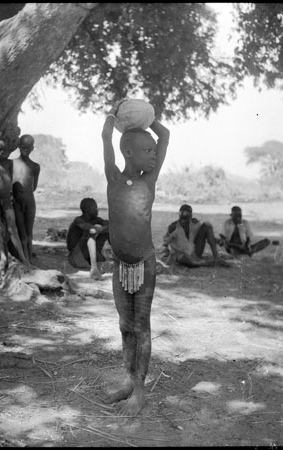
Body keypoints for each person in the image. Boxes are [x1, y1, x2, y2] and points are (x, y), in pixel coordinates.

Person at [101, 100, 169, 416]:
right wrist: (117, 114)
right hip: (120, 267)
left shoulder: (148, 183)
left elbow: (165, 135)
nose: (154, 154)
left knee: (141, 326)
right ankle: (128, 381)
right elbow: (106, 138)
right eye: (147, 150)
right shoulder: (113, 179)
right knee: (125, 325)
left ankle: (140, 391)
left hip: (145, 264)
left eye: (154, 151)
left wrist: (146, 118)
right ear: (129, 153)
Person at [0, 137, 31, 277]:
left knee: (12, 228)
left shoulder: (8, 163)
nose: (2, 151)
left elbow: (8, 178)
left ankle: (24, 258)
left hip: (6, 197)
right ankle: (3, 257)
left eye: (4, 149)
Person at [162, 204, 228, 268]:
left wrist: (218, 241)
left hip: (195, 253)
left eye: (185, 220)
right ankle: (207, 263)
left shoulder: (195, 223)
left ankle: (216, 257)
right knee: (186, 260)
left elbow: (207, 235)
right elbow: (165, 244)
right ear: (179, 216)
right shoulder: (173, 227)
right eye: (182, 219)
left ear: (191, 217)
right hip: (181, 254)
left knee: (207, 225)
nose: (183, 222)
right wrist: (167, 254)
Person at [12, 134, 40, 263]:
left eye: (28, 148)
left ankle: (29, 258)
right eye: (23, 147)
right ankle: (25, 260)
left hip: (29, 200)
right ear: (18, 147)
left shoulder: (35, 166)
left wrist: (25, 194)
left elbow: (34, 186)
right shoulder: (12, 164)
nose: (25, 150)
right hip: (17, 201)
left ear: (32, 148)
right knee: (21, 231)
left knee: (29, 232)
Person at [66, 198, 110, 280]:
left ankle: (118, 256)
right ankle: (94, 268)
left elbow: (108, 226)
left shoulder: (97, 220)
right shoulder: (78, 220)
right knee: (91, 232)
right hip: (76, 257)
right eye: (95, 208)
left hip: (86, 255)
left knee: (107, 231)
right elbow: (91, 230)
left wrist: (106, 227)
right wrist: (102, 228)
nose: (97, 210)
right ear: (87, 210)